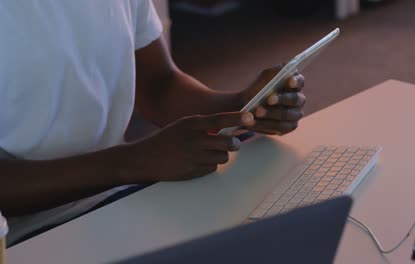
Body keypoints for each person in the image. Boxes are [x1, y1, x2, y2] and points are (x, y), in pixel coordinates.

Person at [0, 0, 305, 245]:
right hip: (27, 235)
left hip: (119, 195)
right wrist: (133, 161)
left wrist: (242, 107)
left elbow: (160, 85)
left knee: (285, 227)